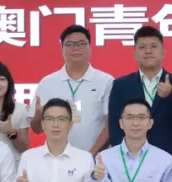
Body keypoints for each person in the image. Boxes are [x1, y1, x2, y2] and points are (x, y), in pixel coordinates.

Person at [107, 26, 172, 161]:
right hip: (132, 158)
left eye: (154, 46)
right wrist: (122, 158)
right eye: (142, 47)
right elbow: (115, 126)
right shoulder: (121, 85)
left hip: (170, 157)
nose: (148, 51)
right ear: (135, 54)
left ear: (163, 52)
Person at [29, 25, 113, 155]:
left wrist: (91, 155)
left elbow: (111, 124)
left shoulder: (106, 81)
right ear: (62, 49)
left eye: (81, 44)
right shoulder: (47, 82)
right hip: (57, 158)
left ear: (90, 48)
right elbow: (37, 129)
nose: (76, 48)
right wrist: (38, 116)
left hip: (96, 158)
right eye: (69, 44)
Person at [90, 97, 172, 182]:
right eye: (129, 118)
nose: (135, 123)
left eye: (141, 117)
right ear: (121, 123)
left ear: (150, 123)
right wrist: (97, 178)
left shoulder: (164, 159)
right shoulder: (105, 157)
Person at [17, 99, 93, 182]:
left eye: (62, 119)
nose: (55, 124)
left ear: (70, 125)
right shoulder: (28, 157)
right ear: (42, 124)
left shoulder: (85, 158)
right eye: (49, 119)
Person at [0, 61, 29, 161]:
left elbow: (24, 148)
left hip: (12, 167)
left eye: (1, 79)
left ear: (9, 83)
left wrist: (12, 132)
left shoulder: (20, 110)